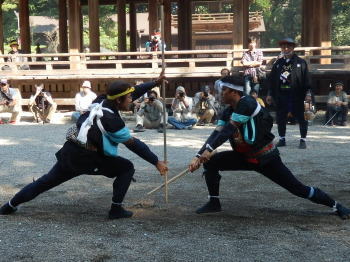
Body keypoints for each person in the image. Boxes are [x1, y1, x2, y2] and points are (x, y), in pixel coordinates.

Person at [0, 75, 168, 219]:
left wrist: (154, 83)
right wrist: (156, 161)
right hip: (88, 158)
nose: (133, 100)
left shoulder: (102, 99)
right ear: (119, 100)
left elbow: (133, 91)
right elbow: (134, 144)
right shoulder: (113, 122)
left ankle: (9, 205)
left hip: (71, 151)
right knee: (126, 167)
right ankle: (116, 209)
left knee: (46, 181)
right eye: (129, 98)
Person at [188, 76, 350, 220]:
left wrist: (208, 150)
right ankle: (214, 203)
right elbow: (216, 134)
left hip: (265, 158)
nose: (220, 93)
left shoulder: (247, 103)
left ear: (234, 92)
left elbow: (229, 130)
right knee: (211, 162)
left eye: (224, 90)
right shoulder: (228, 110)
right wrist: (199, 155)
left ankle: (335, 205)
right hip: (244, 157)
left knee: (297, 188)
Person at [266, 38, 312, 149]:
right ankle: (282, 138)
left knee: (302, 117)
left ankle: (303, 139)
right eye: (283, 47)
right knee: (280, 117)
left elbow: (307, 79)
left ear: (293, 48)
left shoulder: (301, 62)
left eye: (289, 47)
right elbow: (272, 80)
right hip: (281, 94)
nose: (286, 49)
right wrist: (269, 93)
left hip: (297, 94)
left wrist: (308, 93)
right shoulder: (278, 63)